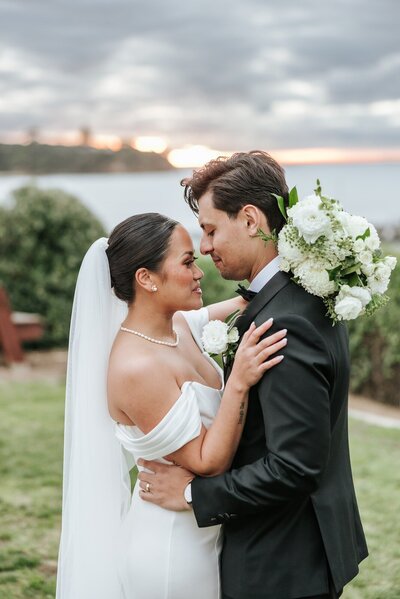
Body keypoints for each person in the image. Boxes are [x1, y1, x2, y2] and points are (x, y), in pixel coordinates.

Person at [138, 151, 369, 599]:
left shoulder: (284, 321)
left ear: (248, 219)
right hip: (300, 551)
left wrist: (192, 496)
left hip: (279, 564)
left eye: (209, 230)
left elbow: (294, 466)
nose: (204, 248)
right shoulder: (303, 293)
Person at [56, 212, 287, 599]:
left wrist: (299, 267)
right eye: (186, 262)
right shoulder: (136, 367)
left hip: (205, 532)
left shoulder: (177, 325)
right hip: (171, 552)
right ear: (146, 279)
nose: (199, 272)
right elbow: (206, 460)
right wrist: (239, 382)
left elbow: (249, 302)